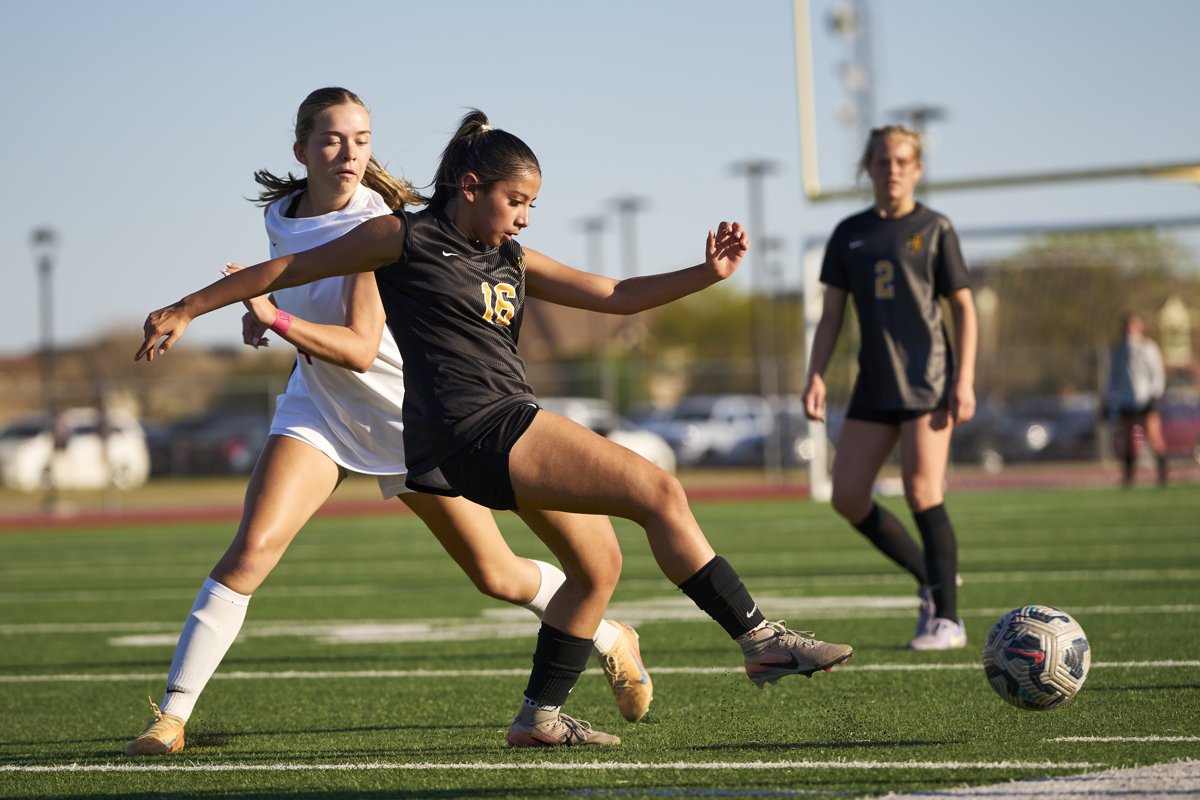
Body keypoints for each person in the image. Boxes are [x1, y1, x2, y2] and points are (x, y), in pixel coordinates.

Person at [137, 108, 855, 748]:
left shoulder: (507, 255)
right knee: (659, 491)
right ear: (471, 186)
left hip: (506, 424)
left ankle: (538, 716)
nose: (525, 217)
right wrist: (185, 307)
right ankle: (759, 637)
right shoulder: (400, 237)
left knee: (598, 570)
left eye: (531, 205)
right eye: (518, 201)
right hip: (477, 430)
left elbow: (615, 295)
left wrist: (707, 272)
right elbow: (282, 268)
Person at [126, 90, 652, 756]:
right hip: (321, 407)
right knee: (251, 551)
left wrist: (276, 319)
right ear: (301, 150)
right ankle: (170, 718)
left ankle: (609, 634)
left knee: (494, 574)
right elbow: (283, 277)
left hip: (411, 415)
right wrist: (205, 308)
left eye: (362, 139)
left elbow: (355, 342)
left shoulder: (381, 229)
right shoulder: (284, 213)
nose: (349, 153)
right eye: (333, 139)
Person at [802, 124, 977, 651]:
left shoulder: (936, 227)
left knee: (924, 491)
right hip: (874, 385)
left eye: (902, 161)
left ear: (917, 169)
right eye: (882, 160)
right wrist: (815, 373)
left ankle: (947, 617)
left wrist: (964, 381)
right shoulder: (848, 233)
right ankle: (931, 574)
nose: (892, 169)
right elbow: (831, 316)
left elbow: (964, 308)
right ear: (869, 168)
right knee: (848, 496)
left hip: (929, 382)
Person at [1106, 312, 1168, 487]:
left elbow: (1157, 374)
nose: (1130, 330)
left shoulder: (1149, 348)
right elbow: (1113, 377)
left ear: (1140, 327)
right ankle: (1129, 477)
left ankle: (1162, 476)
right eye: (1127, 326)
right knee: (1128, 438)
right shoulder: (1118, 351)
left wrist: (1155, 395)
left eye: (1133, 325)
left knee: (1153, 436)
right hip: (1126, 400)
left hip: (1146, 398)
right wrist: (1110, 398)